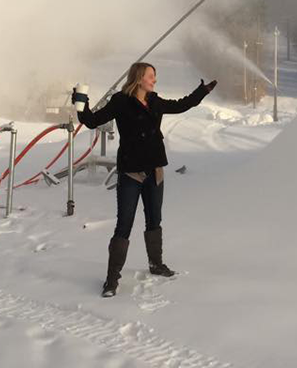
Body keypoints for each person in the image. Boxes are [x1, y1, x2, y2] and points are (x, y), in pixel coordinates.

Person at [73, 62, 216, 297]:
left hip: (154, 170)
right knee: (124, 224)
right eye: (151, 76)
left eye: (155, 77)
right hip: (131, 171)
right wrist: (81, 101)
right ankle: (111, 280)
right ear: (139, 78)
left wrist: (202, 91)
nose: (154, 80)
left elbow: (182, 106)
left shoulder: (155, 101)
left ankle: (156, 264)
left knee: (154, 219)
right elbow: (91, 120)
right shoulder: (120, 102)